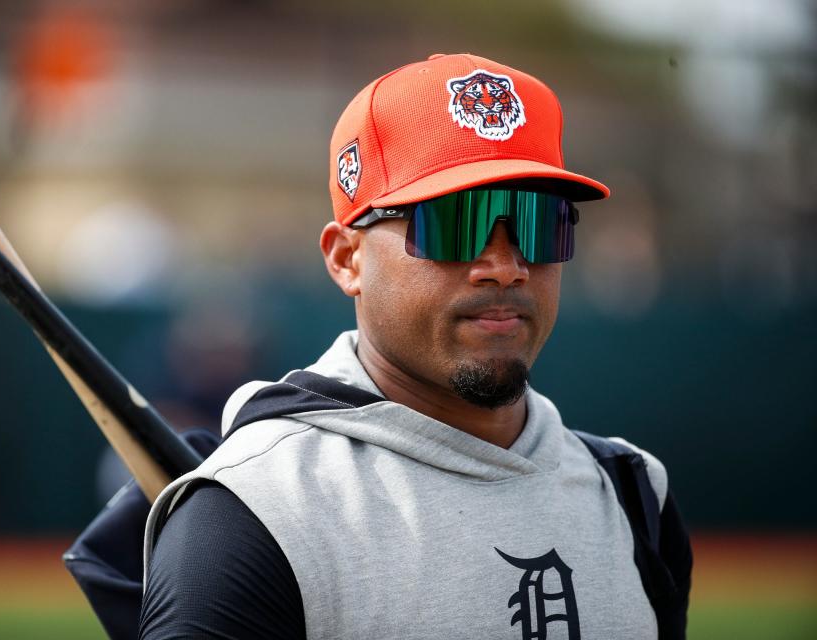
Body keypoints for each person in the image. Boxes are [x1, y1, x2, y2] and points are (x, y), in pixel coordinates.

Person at [138, 53, 692, 640]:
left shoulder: (632, 492)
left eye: (538, 223)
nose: (505, 267)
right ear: (347, 259)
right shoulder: (253, 514)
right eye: (452, 223)